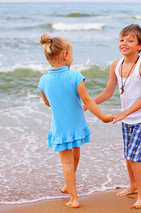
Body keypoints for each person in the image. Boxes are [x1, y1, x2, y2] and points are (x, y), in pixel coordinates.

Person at [38, 33, 113, 208]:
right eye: (71, 53)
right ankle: (73, 198)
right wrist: (103, 117)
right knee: (75, 157)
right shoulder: (75, 76)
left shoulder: (44, 80)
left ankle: (72, 195)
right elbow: (87, 100)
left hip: (60, 127)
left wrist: (59, 104)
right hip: (76, 125)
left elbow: (47, 102)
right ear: (65, 54)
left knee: (67, 162)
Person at [91, 24, 141, 209]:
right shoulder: (115, 65)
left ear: (140, 45)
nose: (124, 43)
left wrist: (123, 113)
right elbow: (108, 92)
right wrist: (89, 104)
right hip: (126, 119)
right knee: (128, 155)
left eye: (130, 40)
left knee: (135, 156)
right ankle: (133, 186)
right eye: (121, 39)